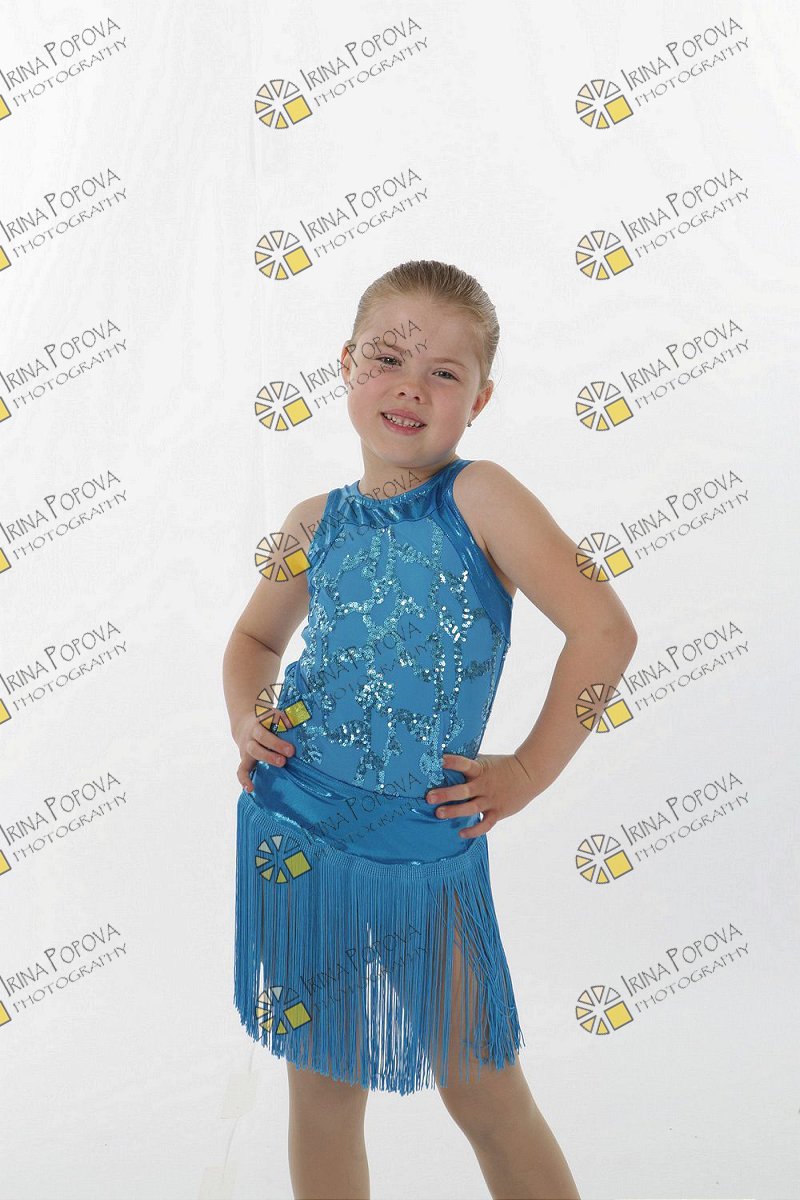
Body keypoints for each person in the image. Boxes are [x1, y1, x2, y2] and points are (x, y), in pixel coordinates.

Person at [223, 259, 637, 1200]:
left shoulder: (480, 498)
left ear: (479, 400)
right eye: (388, 357)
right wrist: (247, 716)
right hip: (299, 828)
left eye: (444, 372)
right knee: (322, 1092)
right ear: (346, 365)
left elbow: (604, 632)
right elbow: (253, 641)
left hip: (425, 842)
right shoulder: (312, 522)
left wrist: (527, 771)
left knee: (483, 1089)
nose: (411, 384)